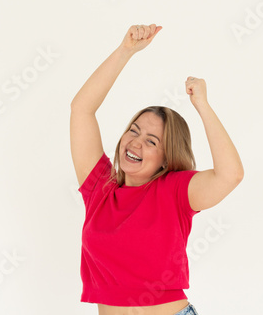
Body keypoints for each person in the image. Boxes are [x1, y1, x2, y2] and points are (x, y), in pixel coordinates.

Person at [70, 24, 244, 315]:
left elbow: (231, 175)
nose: (135, 143)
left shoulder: (175, 191)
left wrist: (202, 104)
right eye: (134, 131)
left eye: (151, 141)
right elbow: (81, 109)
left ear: (166, 158)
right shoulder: (100, 188)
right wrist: (125, 51)